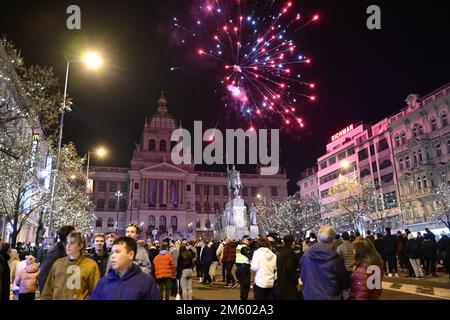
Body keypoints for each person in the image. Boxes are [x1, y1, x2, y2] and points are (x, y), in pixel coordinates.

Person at [90, 237, 160, 300]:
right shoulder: (103, 283)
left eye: (117, 252)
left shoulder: (147, 283)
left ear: (131, 255)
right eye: (112, 253)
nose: (112, 256)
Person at [40, 232, 100, 300]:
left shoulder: (90, 265)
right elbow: (48, 289)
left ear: (80, 246)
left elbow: (95, 292)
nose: (68, 246)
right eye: (67, 243)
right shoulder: (58, 264)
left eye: (72, 243)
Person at [300, 226, 350, 300]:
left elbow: (303, 277)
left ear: (318, 238)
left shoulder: (306, 256)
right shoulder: (335, 258)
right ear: (333, 239)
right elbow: (345, 283)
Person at [38, 225, 75, 290]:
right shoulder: (54, 254)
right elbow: (43, 278)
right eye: (73, 235)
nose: (76, 238)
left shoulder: (67, 251)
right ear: (67, 238)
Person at [276, 235, 299, 300]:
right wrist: (296, 278)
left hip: (281, 282)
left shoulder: (281, 253)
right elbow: (290, 268)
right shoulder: (291, 253)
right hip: (289, 284)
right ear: (292, 242)